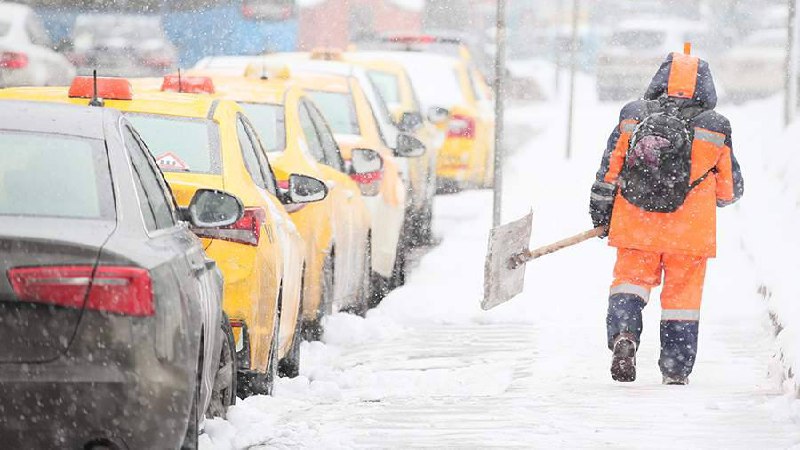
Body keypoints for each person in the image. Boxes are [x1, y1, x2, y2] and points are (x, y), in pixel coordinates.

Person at [589, 51, 744, 385]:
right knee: (681, 302)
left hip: (635, 225)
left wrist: (601, 213)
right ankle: (675, 370)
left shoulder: (633, 115)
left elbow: (609, 171)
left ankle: (624, 336)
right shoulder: (716, 127)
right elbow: (729, 192)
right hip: (690, 234)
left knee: (629, 284)